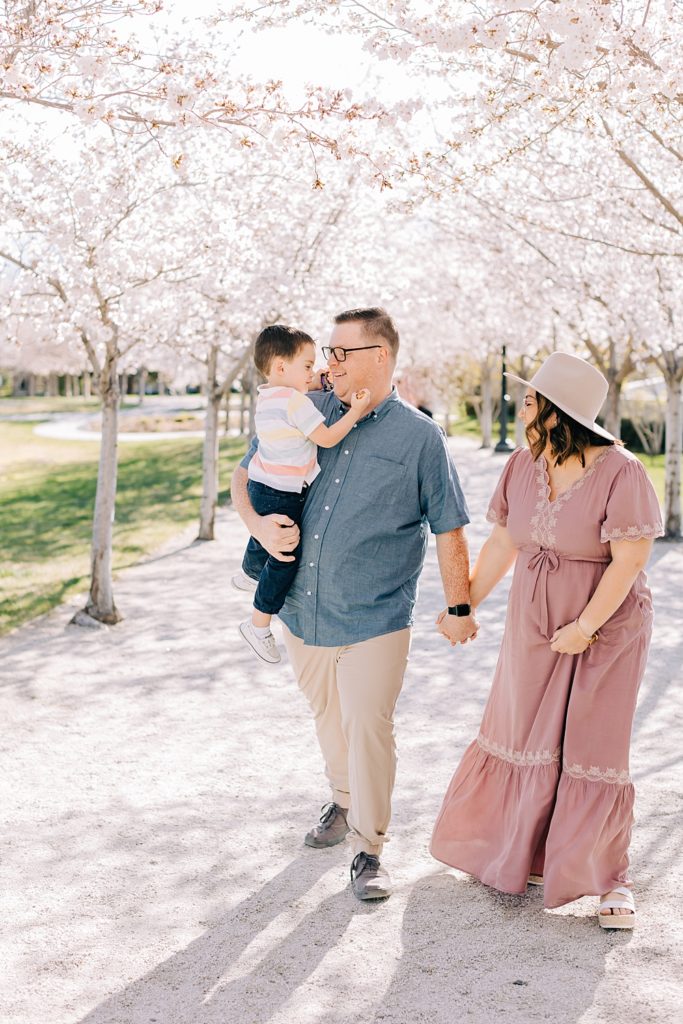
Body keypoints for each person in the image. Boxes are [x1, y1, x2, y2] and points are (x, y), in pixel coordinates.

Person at [231, 307, 478, 901]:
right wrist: (258, 528)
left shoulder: (421, 437)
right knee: (327, 717)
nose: (329, 364)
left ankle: (370, 848)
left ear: (381, 358)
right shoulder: (303, 408)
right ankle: (341, 801)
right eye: (328, 353)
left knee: (369, 725)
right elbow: (245, 477)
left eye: (342, 353)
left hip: (376, 615)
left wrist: (461, 606)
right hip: (302, 608)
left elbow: (449, 526)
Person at [431, 351, 664, 929]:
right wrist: (463, 605)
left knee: (593, 741)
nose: (522, 406)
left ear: (559, 412)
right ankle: (527, 851)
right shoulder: (522, 464)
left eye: (531, 399)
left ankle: (610, 878)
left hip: (606, 626)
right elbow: (503, 546)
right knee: (525, 729)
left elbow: (630, 559)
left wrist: (585, 626)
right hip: (532, 625)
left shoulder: (621, 471)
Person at [234, 325, 371, 664]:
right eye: (308, 366)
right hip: (284, 493)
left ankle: (249, 571)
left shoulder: (268, 397)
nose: (314, 372)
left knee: (265, 538)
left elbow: (292, 403)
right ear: (281, 368)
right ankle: (258, 624)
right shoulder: (297, 403)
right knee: (284, 559)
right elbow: (325, 438)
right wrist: (354, 412)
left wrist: (308, 381)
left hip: (261, 487)